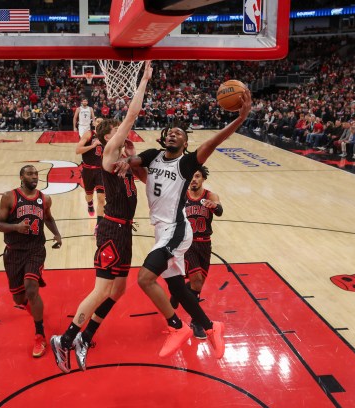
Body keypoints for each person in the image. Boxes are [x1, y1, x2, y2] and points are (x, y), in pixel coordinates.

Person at [115, 88, 252, 359]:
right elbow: (138, 168)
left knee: (145, 278)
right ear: (164, 137)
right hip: (160, 230)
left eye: (180, 133)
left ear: (186, 142)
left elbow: (213, 142)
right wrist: (126, 159)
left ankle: (177, 326)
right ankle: (212, 327)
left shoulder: (187, 163)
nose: (173, 133)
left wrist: (241, 118)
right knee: (177, 286)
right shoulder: (153, 155)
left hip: (177, 229)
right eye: (170, 131)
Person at [50, 61, 153, 373]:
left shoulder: (126, 162)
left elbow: (147, 178)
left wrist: (135, 163)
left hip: (123, 229)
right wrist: (144, 79)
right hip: (111, 230)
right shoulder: (109, 154)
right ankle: (65, 340)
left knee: (119, 290)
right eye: (119, 134)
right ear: (109, 137)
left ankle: (87, 336)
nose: (124, 136)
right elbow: (132, 116)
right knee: (100, 289)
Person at [0, 165, 63, 358]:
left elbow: (48, 218)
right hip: (14, 252)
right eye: (30, 174)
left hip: (35, 250)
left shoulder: (45, 199)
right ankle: (32, 307)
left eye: (36, 174)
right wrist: (16, 227)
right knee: (18, 298)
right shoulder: (9, 197)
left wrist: (57, 234)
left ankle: (39, 334)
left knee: (31, 287)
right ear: (21, 177)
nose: (34, 177)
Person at [169, 165, 222, 339]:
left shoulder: (210, 196)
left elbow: (220, 211)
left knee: (196, 286)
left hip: (205, 245)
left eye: (197, 176)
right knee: (197, 281)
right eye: (191, 176)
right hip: (187, 244)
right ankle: (197, 321)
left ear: (203, 178)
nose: (194, 179)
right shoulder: (182, 196)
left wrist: (214, 206)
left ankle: (178, 292)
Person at [76, 117, 105, 223]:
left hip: (101, 170)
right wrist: (93, 146)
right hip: (88, 170)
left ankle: (99, 225)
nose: (99, 123)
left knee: (101, 198)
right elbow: (78, 150)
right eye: (98, 121)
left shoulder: (107, 137)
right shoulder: (89, 134)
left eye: (102, 122)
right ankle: (90, 204)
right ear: (94, 123)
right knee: (89, 195)